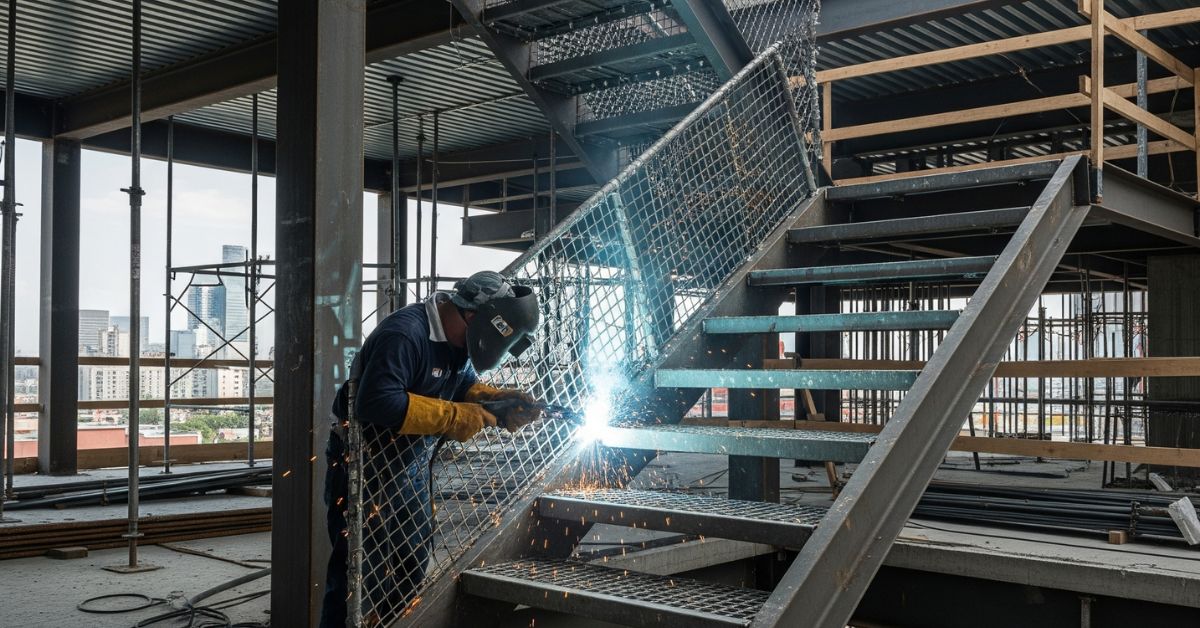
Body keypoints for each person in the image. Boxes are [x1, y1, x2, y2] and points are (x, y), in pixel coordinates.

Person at [321, 271, 541, 627]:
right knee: (358, 575)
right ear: (479, 318)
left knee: (410, 563)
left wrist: (491, 401)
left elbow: (460, 384)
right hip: (364, 465)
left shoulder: (461, 341)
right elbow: (375, 402)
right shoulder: (405, 335)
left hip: (411, 463)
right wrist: (455, 415)